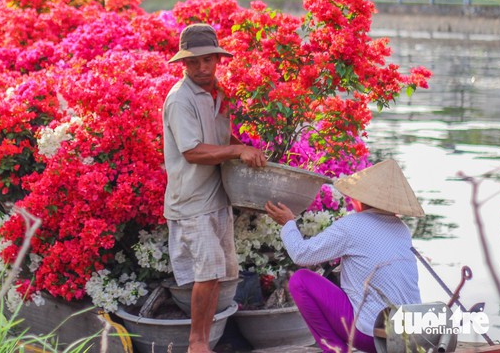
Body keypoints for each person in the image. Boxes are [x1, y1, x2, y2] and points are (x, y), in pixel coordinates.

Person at [163, 23, 267, 353]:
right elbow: (193, 151)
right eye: (194, 62)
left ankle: (205, 340)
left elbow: (222, 139)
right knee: (206, 274)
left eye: (208, 60)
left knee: (219, 276)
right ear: (183, 64)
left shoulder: (219, 95)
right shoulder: (180, 100)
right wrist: (237, 151)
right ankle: (197, 344)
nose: (202, 67)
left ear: (217, 60)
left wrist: (244, 148)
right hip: (191, 200)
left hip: (217, 195)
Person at [264, 159, 424, 353]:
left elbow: (301, 254)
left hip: (372, 335)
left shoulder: (353, 225)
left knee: (300, 280)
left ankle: (335, 349)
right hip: (408, 335)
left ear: (359, 200)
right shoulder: (402, 229)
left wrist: (289, 223)